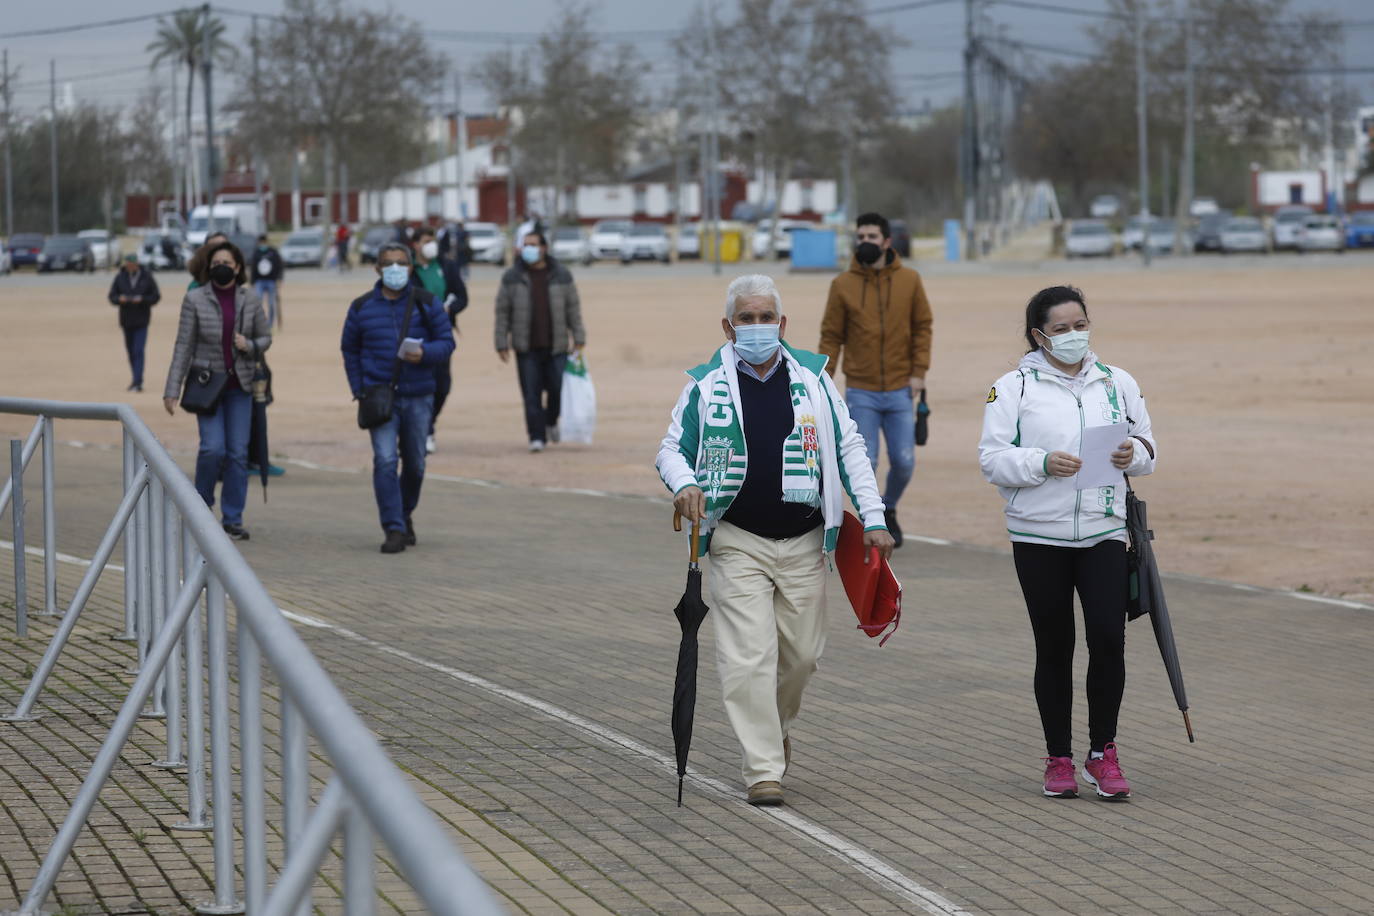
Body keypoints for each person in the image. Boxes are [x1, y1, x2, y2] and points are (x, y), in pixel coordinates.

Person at [655, 274, 894, 807]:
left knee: (803, 655)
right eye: (747, 317)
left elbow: (849, 445)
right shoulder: (705, 384)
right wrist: (686, 483)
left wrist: (873, 516)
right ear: (728, 325)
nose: (757, 327)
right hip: (738, 540)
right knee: (747, 658)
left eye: (767, 318)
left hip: (807, 540)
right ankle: (763, 767)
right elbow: (671, 449)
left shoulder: (813, 378)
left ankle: (775, 725)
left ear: (783, 324)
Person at [978, 285, 1157, 801]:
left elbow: (1148, 446)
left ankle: (1103, 753)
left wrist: (1133, 454)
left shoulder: (1116, 382)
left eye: (1081, 324)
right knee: (1054, 646)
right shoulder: (1012, 387)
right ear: (1039, 336)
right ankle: (1058, 757)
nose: (1075, 335)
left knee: (1108, 638)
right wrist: (1039, 462)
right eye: (1061, 329)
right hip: (1039, 536)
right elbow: (992, 458)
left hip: (1103, 531)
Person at [817, 211, 934, 549]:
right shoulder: (842, 285)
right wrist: (821, 381)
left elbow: (922, 328)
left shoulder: (910, 280)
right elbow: (831, 335)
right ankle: (873, 520)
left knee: (904, 461)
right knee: (865, 461)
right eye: (861, 237)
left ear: (886, 241)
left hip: (900, 388)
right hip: (861, 390)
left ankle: (890, 507)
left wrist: (918, 373)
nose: (865, 242)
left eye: (871, 237)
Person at [341, 243, 456, 554]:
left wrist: (426, 353)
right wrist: (359, 388)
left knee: (416, 463)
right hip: (380, 397)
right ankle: (393, 527)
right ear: (377, 269)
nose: (395, 269)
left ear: (410, 268)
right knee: (386, 460)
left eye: (401, 264)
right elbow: (349, 349)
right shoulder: (362, 306)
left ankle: (405, 514)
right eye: (388, 264)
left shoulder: (426, 303)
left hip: (419, 395)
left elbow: (447, 342)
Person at [162, 240, 273, 541]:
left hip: (241, 387)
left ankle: (233, 518)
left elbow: (265, 338)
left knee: (237, 454)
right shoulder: (195, 299)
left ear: (238, 267)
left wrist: (248, 345)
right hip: (206, 386)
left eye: (227, 262)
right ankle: (201, 509)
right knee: (213, 448)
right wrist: (172, 388)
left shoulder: (250, 300)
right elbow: (183, 344)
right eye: (216, 263)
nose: (221, 267)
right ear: (208, 267)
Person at [494, 230, 586, 452]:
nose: (528, 249)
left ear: (544, 248)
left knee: (556, 389)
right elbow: (502, 311)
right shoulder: (512, 276)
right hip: (526, 347)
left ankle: (551, 421)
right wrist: (501, 341)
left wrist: (579, 336)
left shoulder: (561, 274)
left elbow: (573, 308)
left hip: (557, 346)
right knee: (531, 393)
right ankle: (536, 436)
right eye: (525, 245)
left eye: (533, 245)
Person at [410, 226, 469, 453]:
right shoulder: (408, 270)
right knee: (419, 382)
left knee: (442, 385)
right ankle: (422, 431)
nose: (431, 245)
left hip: (442, 334)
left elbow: (462, 296)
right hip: (416, 332)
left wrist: (450, 309)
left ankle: (428, 422)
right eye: (426, 241)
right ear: (415, 244)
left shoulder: (446, 266)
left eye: (432, 240)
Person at [107, 252, 161, 392]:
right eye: (128, 264)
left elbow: (156, 296)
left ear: (137, 264)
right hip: (126, 320)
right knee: (131, 351)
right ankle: (135, 378)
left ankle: (137, 382)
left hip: (142, 320)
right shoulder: (120, 277)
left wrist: (142, 299)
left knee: (138, 350)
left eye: (133, 263)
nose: (130, 266)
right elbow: (112, 296)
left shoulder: (147, 277)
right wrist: (120, 299)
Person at [250, 234, 285, 328]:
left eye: (263, 242)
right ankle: (260, 323)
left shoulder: (273, 252)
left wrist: (279, 279)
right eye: (260, 243)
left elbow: (279, 266)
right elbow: (253, 268)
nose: (262, 244)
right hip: (259, 281)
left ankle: (270, 324)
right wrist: (252, 282)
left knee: (271, 303)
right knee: (258, 302)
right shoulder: (256, 253)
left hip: (271, 281)